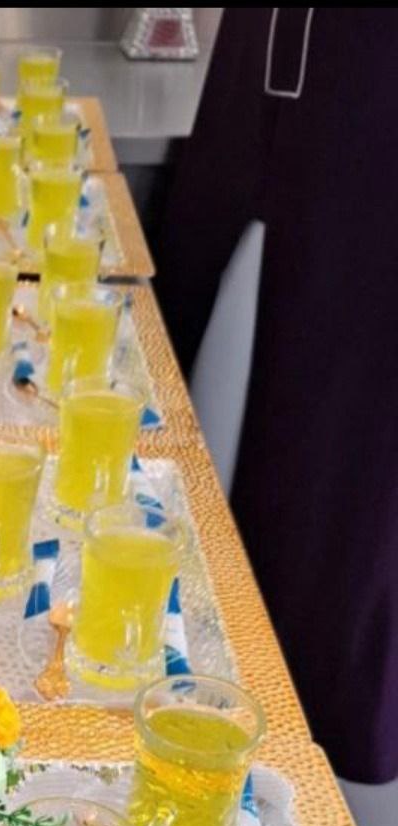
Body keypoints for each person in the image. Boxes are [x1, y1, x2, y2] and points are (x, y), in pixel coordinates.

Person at [156, 8, 398, 784]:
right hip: (274, 69)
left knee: (337, 476)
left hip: (358, 114)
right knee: (190, 405)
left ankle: (293, 743)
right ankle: (210, 693)